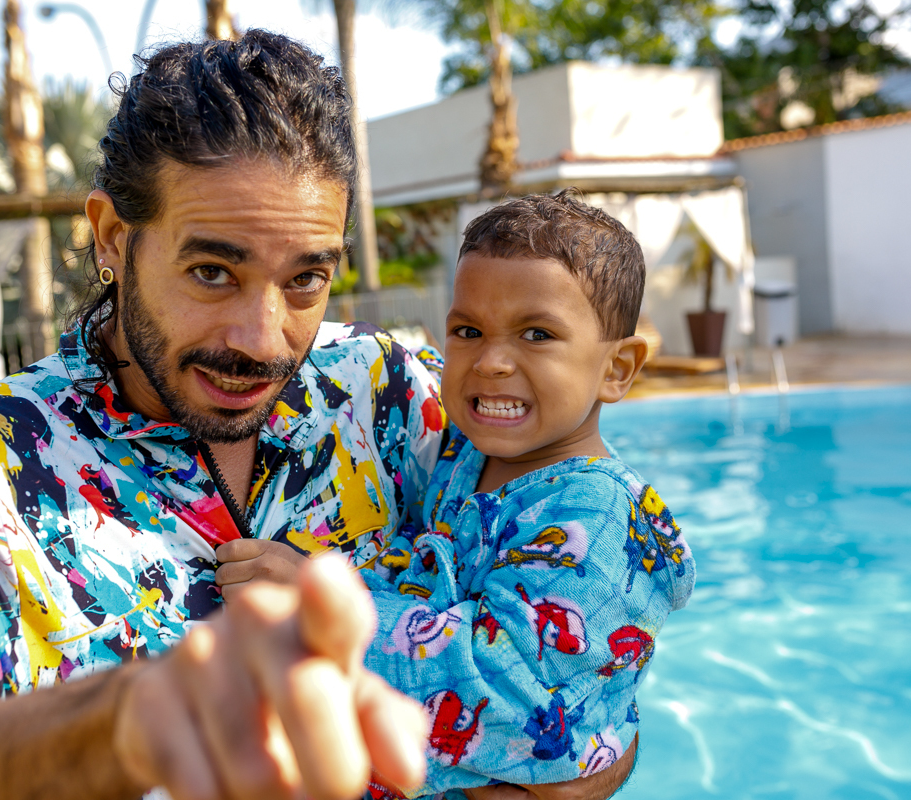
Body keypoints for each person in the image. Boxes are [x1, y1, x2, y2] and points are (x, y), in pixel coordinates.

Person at [0, 29, 632, 800]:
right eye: (211, 271)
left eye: (305, 280)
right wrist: (116, 724)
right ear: (111, 237)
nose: (262, 341)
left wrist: (589, 765)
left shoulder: (385, 389)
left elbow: (594, 615)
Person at [218, 191, 696, 799]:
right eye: (468, 330)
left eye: (537, 334)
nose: (492, 361)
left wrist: (318, 611)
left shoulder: (596, 517)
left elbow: (502, 692)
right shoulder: (465, 455)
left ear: (617, 369)